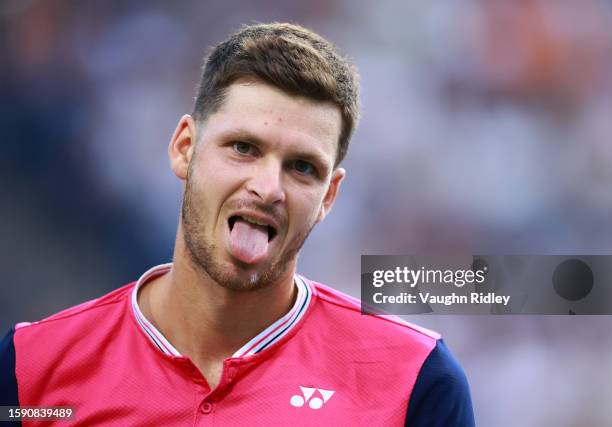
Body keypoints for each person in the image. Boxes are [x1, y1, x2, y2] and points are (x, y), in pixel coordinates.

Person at [0, 23, 474, 426]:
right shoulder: (32, 366)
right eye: (243, 148)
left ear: (329, 195)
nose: (268, 187)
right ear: (185, 148)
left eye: (302, 167)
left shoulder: (415, 379)